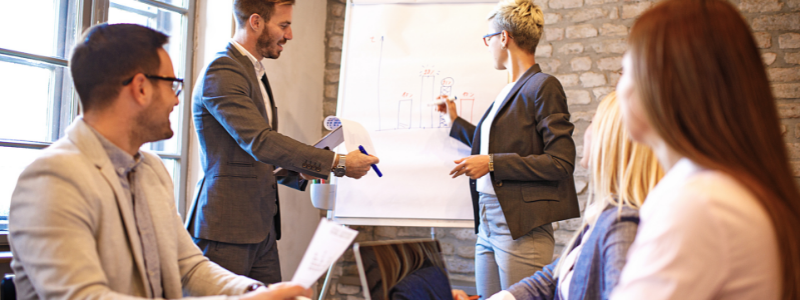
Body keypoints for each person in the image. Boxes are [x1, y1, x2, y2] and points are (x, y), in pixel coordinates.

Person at [8, 23, 309, 300]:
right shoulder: (53, 178)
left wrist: (253, 290)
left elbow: (189, 267)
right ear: (140, 88)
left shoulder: (151, 170)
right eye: (172, 84)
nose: (177, 99)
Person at [609, 0, 800, 299]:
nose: (620, 88)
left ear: (662, 84)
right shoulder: (716, 189)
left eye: (625, 70)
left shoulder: (698, 204)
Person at [187, 0, 379, 285]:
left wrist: (296, 170)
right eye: (284, 25)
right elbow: (260, 142)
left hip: (260, 227)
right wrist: (337, 163)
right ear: (256, 22)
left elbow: (249, 155)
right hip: (226, 229)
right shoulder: (223, 71)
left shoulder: (251, 71)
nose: (289, 35)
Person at [454, 92, 664, 300]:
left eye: (593, 122)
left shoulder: (623, 225)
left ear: (611, 139)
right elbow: (552, 277)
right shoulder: (603, 215)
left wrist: (492, 162)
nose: (585, 131)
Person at [436, 0, 580, 297]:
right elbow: (494, 145)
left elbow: (561, 162)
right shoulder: (509, 90)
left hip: (520, 226)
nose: (487, 44)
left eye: (489, 37)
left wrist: (491, 163)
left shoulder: (543, 85)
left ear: (504, 37)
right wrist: (454, 121)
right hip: (488, 221)